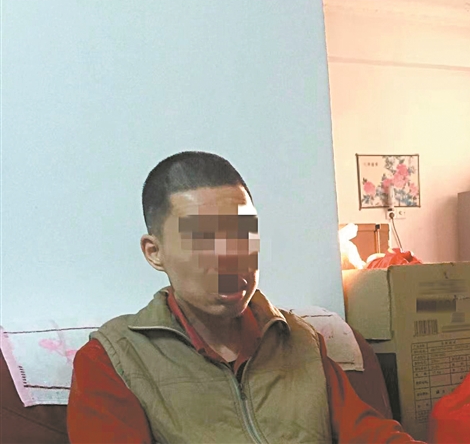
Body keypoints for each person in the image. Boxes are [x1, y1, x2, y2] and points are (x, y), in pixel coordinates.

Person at [68, 151, 422, 443]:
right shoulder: (112, 359)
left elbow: (370, 434)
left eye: (242, 234)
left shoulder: (301, 341)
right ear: (154, 252)